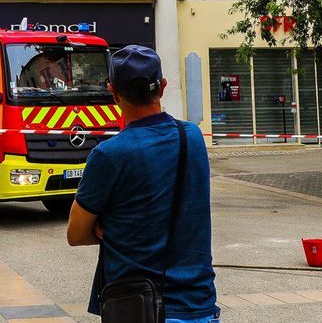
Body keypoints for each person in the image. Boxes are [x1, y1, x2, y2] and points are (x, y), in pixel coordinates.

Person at [66, 45, 218, 323]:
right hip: (198, 307)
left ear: (112, 92)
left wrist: (108, 227)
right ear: (162, 87)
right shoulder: (193, 138)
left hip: (136, 309)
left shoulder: (108, 155)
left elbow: (76, 235)